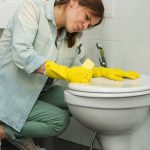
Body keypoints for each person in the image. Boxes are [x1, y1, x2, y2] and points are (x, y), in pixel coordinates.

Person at [0, 0, 139, 149]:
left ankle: (20, 133)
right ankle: (4, 132)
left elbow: (76, 66)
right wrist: (64, 72)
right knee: (60, 120)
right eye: (86, 17)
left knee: (79, 99)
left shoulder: (71, 35)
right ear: (73, 2)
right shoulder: (31, 10)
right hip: (10, 93)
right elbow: (22, 54)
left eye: (90, 25)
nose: (85, 26)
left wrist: (101, 72)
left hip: (38, 91)